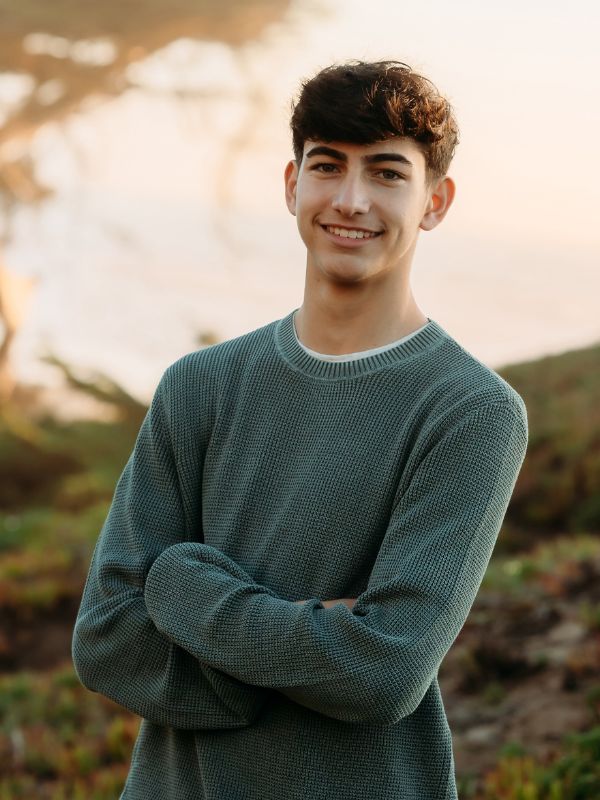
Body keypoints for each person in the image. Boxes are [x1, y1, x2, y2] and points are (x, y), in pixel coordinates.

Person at [72, 60, 528, 799]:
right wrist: (303, 648)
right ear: (292, 185)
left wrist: (179, 588)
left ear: (435, 202)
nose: (351, 201)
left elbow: (384, 671)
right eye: (328, 167)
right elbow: (107, 640)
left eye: (386, 174)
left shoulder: (472, 412)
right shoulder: (201, 386)